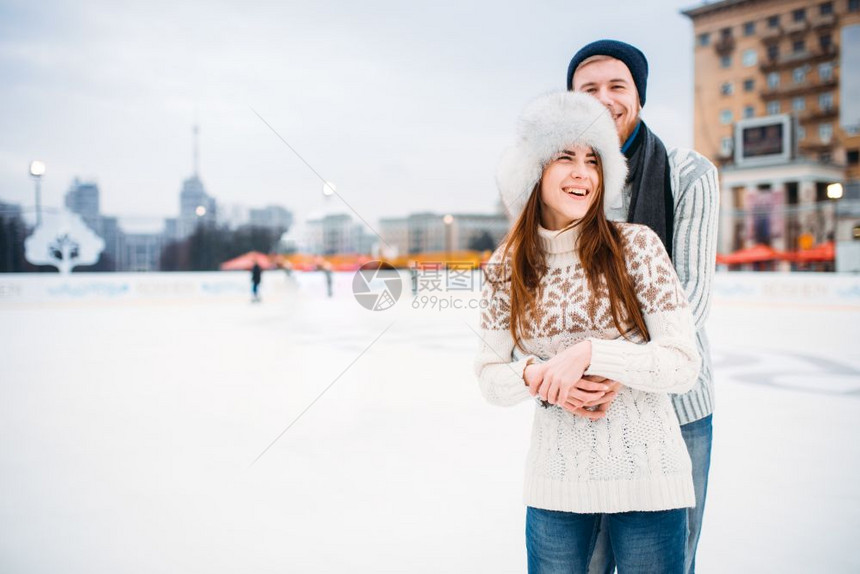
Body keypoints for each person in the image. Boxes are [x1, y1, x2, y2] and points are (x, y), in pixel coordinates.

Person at [475, 91, 701, 574]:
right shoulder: (504, 269)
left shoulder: (636, 246)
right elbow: (490, 377)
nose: (583, 173)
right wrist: (541, 376)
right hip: (556, 486)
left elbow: (683, 364)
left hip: (649, 479)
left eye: (593, 161)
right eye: (566, 158)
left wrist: (593, 353)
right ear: (533, 172)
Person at [565, 39, 719, 574]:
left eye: (617, 86)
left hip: (677, 405)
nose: (603, 99)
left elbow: (692, 291)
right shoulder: (565, 179)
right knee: (590, 558)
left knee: (665, 557)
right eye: (589, 90)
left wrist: (619, 364)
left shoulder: (689, 173)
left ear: (640, 96)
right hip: (588, 405)